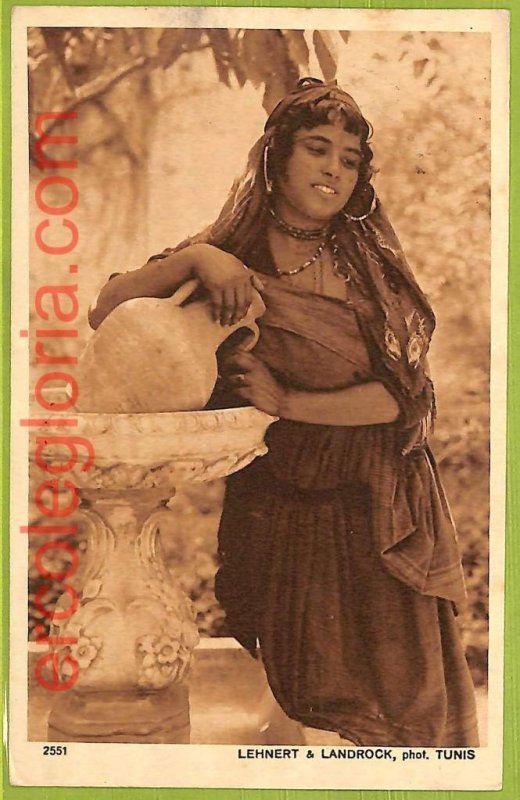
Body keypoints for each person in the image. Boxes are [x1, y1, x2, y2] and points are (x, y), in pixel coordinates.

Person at [89, 77, 479, 747]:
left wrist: (290, 400)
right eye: (317, 149)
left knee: (390, 708)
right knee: (297, 689)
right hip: (280, 494)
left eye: (350, 159)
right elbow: (108, 308)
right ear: (277, 157)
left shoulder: (367, 268)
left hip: (374, 496)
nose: (334, 169)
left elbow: (402, 398)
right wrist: (197, 259)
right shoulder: (230, 256)